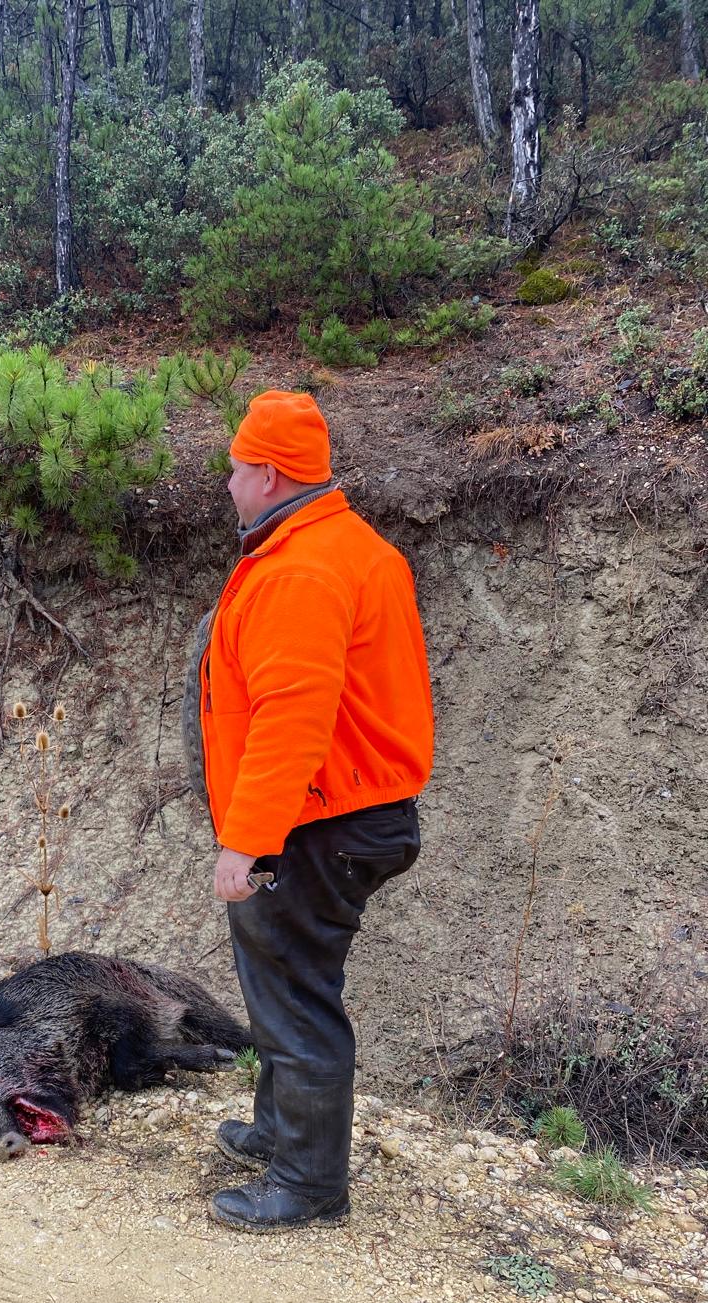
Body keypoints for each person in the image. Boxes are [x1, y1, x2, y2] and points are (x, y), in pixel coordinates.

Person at [197, 390, 434, 1233]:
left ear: (268, 474)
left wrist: (247, 840)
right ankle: (277, 1132)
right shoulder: (352, 546)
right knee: (288, 978)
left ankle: (307, 1184)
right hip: (352, 808)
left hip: (317, 819)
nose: (228, 483)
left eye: (235, 469)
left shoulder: (300, 567)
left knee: (296, 993)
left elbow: (292, 717)